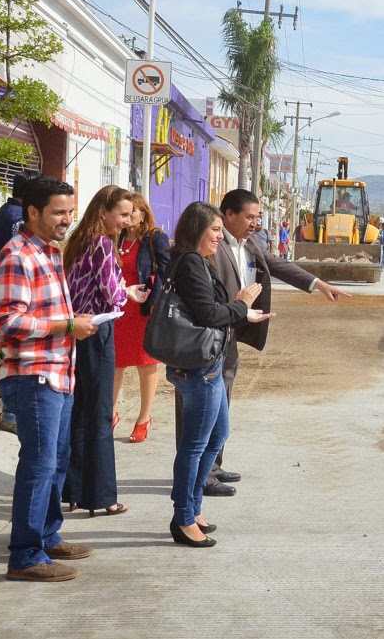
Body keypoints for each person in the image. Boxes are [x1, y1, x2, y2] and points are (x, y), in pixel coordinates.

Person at [195, 189, 348, 498]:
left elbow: (277, 266)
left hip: (233, 332)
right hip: (209, 332)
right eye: (249, 217)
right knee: (203, 406)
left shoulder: (249, 243)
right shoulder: (208, 242)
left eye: (257, 217)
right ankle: (200, 475)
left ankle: (213, 464)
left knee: (223, 399)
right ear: (229, 215)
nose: (255, 223)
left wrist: (318, 284)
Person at [0, 176, 98, 581]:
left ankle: (48, 537)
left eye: (70, 212)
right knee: (38, 466)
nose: (66, 220)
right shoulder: (17, 254)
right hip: (32, 375)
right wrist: (68, 325)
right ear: (32, 212)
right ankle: (25, 555)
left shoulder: (50, 251)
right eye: (58, 212)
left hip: (57, 373)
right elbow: (10, 321)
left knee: (55, 461)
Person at [165, 201, 270, 547]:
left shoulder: (200, 261)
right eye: (213, 231)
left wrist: (242, 313)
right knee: (195, 444)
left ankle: (193, 507)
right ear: (197, 230)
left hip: (209, 365)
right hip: (198, 368)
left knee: (217, 433)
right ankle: (183, 517)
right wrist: (241, 304)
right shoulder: (190, 263)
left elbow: (212, 310)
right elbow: (209, 313)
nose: (218, 237)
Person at [61, 186, 147, 518]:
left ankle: (74, 490)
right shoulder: (101, 244)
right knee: (99, 415)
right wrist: (126, 293)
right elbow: (111, 296)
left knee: (80, 412)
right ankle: (101, 496)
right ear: (103, 213)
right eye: (123, 215)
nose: (127, 222)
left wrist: (121, 291)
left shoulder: (77, 241)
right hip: (98, 330)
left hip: (79, 333)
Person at [112, 193, 170, 443]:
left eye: (132, 212)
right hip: (119, 308)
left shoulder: (155, 238)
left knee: (145, 364)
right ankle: (110, 413)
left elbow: (167, 272)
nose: (127, 217)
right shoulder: (116, 237)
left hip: (144, 310)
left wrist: (156, 302)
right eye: (123, 213)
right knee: (115, 362)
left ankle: (144, 418)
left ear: (143, 214)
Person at [0, 171, 40, 434]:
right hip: (14, 295)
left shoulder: (2, 212)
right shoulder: (18, 220)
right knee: (15, 355)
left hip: (2, 292)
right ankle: (11, 413)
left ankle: (11, 411)